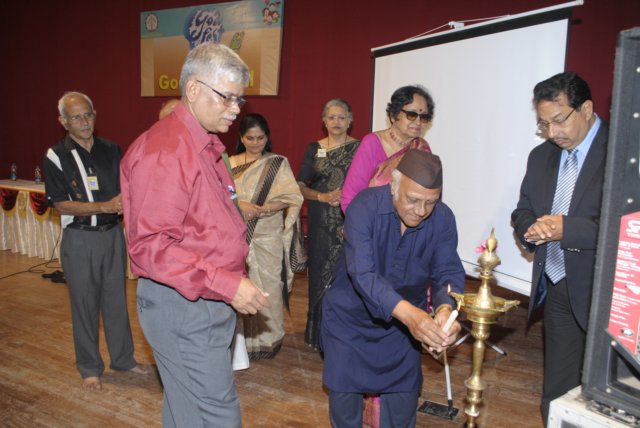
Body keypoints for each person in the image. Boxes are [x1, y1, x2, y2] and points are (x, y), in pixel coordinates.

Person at [120, 43, 270, 427]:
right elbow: (151, 247)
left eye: (239, 99)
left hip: (201, 299)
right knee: (217, 415)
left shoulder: (201, 143)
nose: (235, 109)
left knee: (186, 412)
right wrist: (227, 284)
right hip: (182, 305)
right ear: (193, 89)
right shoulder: (166, 150)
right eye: (227, 97)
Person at [321, 149, 464, 427]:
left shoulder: (443, 219)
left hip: (403, 331)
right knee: (345, 414)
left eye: (430, 202)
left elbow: (447, 271)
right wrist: (412, 317)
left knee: (401, 413)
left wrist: (445, 310)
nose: (421, 211)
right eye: (413, 200)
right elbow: (363, 274)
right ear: (393, 187)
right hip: (350, 321)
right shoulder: (364, 207)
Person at [511, 71, 607, 423]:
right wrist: (531, 229)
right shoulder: (541, 156)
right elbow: (523, 209)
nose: (553, 132)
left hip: (608, 294)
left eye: (559, 120)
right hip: (558, 287)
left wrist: (568, 229)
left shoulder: (623, 151)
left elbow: (629, 224)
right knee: (557, 392)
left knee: (606, 396)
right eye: (544, 124)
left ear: (586, 109)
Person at [43, 91, 146, 391]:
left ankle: (123, 359)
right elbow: (60, 204)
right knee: (84, 305)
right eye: (76, 117)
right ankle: (89, 367)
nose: (84, 122)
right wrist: (105, 206)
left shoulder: (111, 149)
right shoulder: (56, 155)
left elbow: (127, 187)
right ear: (63, 121)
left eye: (88, 115)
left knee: (117, 302)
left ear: (95, 115)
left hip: (113, 236)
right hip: (80, 239)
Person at [228, 113, 303, 360]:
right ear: (241, 138)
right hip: (237, 237)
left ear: (267, 137)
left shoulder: (277, 163)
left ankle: (269, 340)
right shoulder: (229, 163)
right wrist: (241, 205)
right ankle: (244, 345)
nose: (255, 143)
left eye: (260, 138)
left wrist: (263, 208)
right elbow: (221, 196)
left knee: (270, 286)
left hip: (268, 235)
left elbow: (292, 197)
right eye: (250, 138)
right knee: (241, 288)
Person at [297, 98, 360, 350]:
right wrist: (322, 196)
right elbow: (299, 186)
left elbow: (368, 182)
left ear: (350, 120)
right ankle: (318, 334)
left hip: (350, 220)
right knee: (320, 274)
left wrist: (346, 195)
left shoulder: (360, 148)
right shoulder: (314, 149)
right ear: (324, 121)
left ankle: (345, 332)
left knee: (347, 274)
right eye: (331, 117)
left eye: (342, 117)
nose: (336, 122)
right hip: (320, 222)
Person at [340, 85, 433, 212]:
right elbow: (350, 197)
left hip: (412, 222)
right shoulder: (372, 143)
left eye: (424, 117)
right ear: (394, 115)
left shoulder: (422, 148)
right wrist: (359, 223)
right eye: (412, 115)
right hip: (371, 220)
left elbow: (430, 195)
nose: (418, 122)